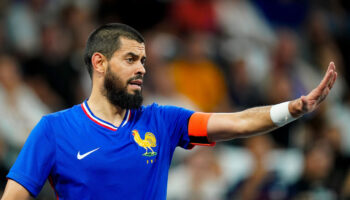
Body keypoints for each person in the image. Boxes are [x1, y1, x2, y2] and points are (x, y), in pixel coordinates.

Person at [1, 23, 337, 200]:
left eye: (144, 61)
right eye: (131, 59)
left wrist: (292, 109)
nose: (142, 69)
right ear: (99, 63)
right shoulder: (52, 129)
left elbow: (237, 122)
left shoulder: (162, 120)